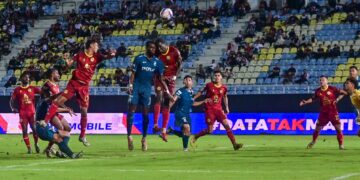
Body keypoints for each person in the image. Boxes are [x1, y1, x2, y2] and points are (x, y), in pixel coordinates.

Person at [43, 39, 116, 146]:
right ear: (91, 45)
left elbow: (107, 57)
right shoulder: (79, 55)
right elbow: (67, 66)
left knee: (84, 111)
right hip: (74, 83)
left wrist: (112, 54)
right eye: (96, 45)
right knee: (58, 101)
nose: (97, 47)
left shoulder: (97, 56)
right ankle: (44, 122)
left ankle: (82, 135)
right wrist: (67, 63)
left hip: (84, 87)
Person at [127, 41, 169, 151]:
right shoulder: (139, 58)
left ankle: (144, 138)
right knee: (131, 112)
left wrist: (167, 90)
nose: (152, 50)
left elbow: (160, 78)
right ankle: (129, 136)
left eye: (154, 48)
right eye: (150, 48)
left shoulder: (157, 62)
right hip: (136, 88)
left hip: (146, 90)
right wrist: (130, 84)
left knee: (145, 115)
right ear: (146, 48)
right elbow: (133, 74)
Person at [191, 71, 243, 150]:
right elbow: (201, 92)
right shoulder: (209, 85)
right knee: (210, 130)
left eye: (218, 75)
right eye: (215, 75)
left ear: (221, 77)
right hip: (209, 109)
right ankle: (196, 136)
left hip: (219, 109)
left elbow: (225, 97)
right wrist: (193, 98)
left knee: (226, 124)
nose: (216, 77)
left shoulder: (224, 88)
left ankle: (234, 144)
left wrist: (227, 107)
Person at [299, 76, 345, 150]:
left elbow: (343, 93)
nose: (321, 81)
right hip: (323, 113)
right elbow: (313, 99)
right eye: (320, 80)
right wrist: (306, 102)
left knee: (338, 129)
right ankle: (313, 141)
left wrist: (338, 99)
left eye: (323, 80)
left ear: (327, 81)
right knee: (317, 129)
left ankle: (341, 145)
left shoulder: (332, 88)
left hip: (333, 112)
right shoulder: (318, 91)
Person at [167, 75, 209, 151]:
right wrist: (168, 107)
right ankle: (185, 149)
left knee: (187, 133)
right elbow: (174, 100)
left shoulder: (191, 92)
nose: (187, 81)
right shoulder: (180, 91)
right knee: (187, 127)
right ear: (184, 82)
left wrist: (203, 101)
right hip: (180, 113)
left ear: (192, 82)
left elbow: (192, 103)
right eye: (186, 80)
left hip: (187, 114)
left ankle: (171, 131)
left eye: (189, 80)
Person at [153, 38, 182, 142]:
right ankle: (155, 125)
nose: (160, 49)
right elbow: (159, 73)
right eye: (158, 47)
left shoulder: (175, 51)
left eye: (161, 46)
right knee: (159, 97)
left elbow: (179, 64)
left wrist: (175, 76)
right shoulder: (158, 57)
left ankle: (164, 131)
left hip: (171, 80)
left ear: (166, 44)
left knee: (167, 104)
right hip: (160, 79)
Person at [40, 68, 73, 157]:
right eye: (57, 73)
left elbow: (58, 101)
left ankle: (50, 148)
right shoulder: (46, 85)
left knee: (68, 128)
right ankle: (57, 149)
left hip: (55, 110)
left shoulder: (56, 86)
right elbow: (47, 100)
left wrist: (67, 108)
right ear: (52, 74)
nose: (59, 75)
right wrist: (61, 93)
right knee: (60, 127)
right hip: (48, 111)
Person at [10, 72, 41, 154]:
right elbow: (11, 100)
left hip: (32, 112)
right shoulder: (17, 89)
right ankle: (29, 148)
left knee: (34, 129)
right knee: (24, 130)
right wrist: (13, 108)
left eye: (28, 77)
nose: (27, 78)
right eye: (25, 77)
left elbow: (43, 93)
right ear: (21, 79)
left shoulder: (33, 88)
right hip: (22, 113)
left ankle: (36, 143)